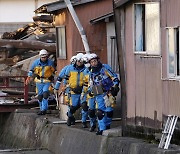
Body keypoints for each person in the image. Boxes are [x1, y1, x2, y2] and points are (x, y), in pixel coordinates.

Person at [84, 53, 120, 135]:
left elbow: (114, 77)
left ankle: (107, 125)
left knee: (109, 111)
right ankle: (102, 128)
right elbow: (90, 85)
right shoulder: (91, 73)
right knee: (100, 112)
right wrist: (90, 91)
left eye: (95, 61)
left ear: (97, 60)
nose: (93, 63)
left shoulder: (105, 68)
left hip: (108, 93)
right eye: (92, 62)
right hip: (99, 93)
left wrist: (115, 86)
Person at [25, 49, 56, 115]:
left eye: (45, 57)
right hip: (39, 81)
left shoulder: (50, 63)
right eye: (42, 57)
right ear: (40, 57)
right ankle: (41, 108)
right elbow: (31, 70)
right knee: (40, 96)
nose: (44, 59)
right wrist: (28, 77)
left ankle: (44, 109)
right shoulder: (36, 63)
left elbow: (54, 71)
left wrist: (56, 78)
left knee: (45, 94)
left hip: (47, 80)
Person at [63, 53, 87, 127]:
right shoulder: (70, 68)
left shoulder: (86, 69)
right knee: (73, 107)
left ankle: (84, 122)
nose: (79, 63)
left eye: (81, 61)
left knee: (84, 106)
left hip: (83, 91)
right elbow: (65, 79)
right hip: (73, 91)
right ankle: (70, 116)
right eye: (78, 61)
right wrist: (66, 89)